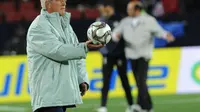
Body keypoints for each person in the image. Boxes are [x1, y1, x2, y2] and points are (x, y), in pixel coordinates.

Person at [26, 0, 103, 112]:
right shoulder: (38, 26)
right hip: (48, 96)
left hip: (61, 94)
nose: (64, 3)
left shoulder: (66, 26)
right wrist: (84, 47)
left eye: (64, 0)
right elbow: (59, 51)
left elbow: (77, 57)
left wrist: (81, 79)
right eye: (59, 0)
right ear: (48, 4)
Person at [113, 1, 175, 112]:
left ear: (137, 9)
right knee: (139, 81)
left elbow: (159, 31)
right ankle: (147, 106)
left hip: (144, 54)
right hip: (131, 55)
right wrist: (115, 35)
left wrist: (166, 35)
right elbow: (116, 32)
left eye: (130, 9)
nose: (127, 11)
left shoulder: (148, 20)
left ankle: (142, 106)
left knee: (141, 81)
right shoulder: (125, 21)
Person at [96, 4, 135, 112]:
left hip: (120, 54)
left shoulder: (121, 19)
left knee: (124, 80)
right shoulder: (101, 20)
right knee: (106, 81)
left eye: (106, 7)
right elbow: (97, 36)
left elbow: (127, 34)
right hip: (107, 55)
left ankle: (131, 105)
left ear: (111, 7)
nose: (104, 9)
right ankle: (103, 106)